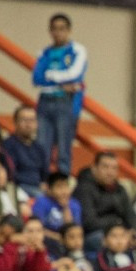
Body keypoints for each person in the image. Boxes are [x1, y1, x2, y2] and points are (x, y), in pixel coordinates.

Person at [32, 13, 86, 174]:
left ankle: (62, 183)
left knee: (64, 147)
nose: (58, 33)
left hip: (65, 102)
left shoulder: (77, 50)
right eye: (54, 29)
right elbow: (37, 78)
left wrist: (51, 75)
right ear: (50, 31)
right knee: (42, 146)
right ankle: (42, 180)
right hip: (44, 102)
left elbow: (75, 74)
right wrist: (62, 82)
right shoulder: (44, 53)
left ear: (69, 30)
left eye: (62, 29)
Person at [75, 152, 136, 251]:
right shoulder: (84, 189)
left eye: (114, 168)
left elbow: (131, 216)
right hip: (94, 234)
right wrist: (116, 225)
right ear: (94, 168)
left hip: (120, 231)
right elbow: (89, 223)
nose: (110, 172)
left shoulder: (120, 189)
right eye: (105, 167)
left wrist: (135, 231)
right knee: (106, 240)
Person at [1, 105, 50, 198]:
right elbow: (11, 174)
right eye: (24, 120)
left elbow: (45, 174)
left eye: (32, 120)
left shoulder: (39, 148)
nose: (28, 124)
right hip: (19, 187)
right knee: (43, 198)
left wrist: (45, 184)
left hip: (38, 187)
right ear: (15, 122)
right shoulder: (8, 145)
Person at [32, 172, 82, 250]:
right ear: (49, 189)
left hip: (67, 243)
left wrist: (66, 207)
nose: (64, 191)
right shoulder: (42, 202)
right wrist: (57, 237)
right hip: (48, 241)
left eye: (66, 186)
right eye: (59, 187)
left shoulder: (74, 204)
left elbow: (72, 230)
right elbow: (37, 229)